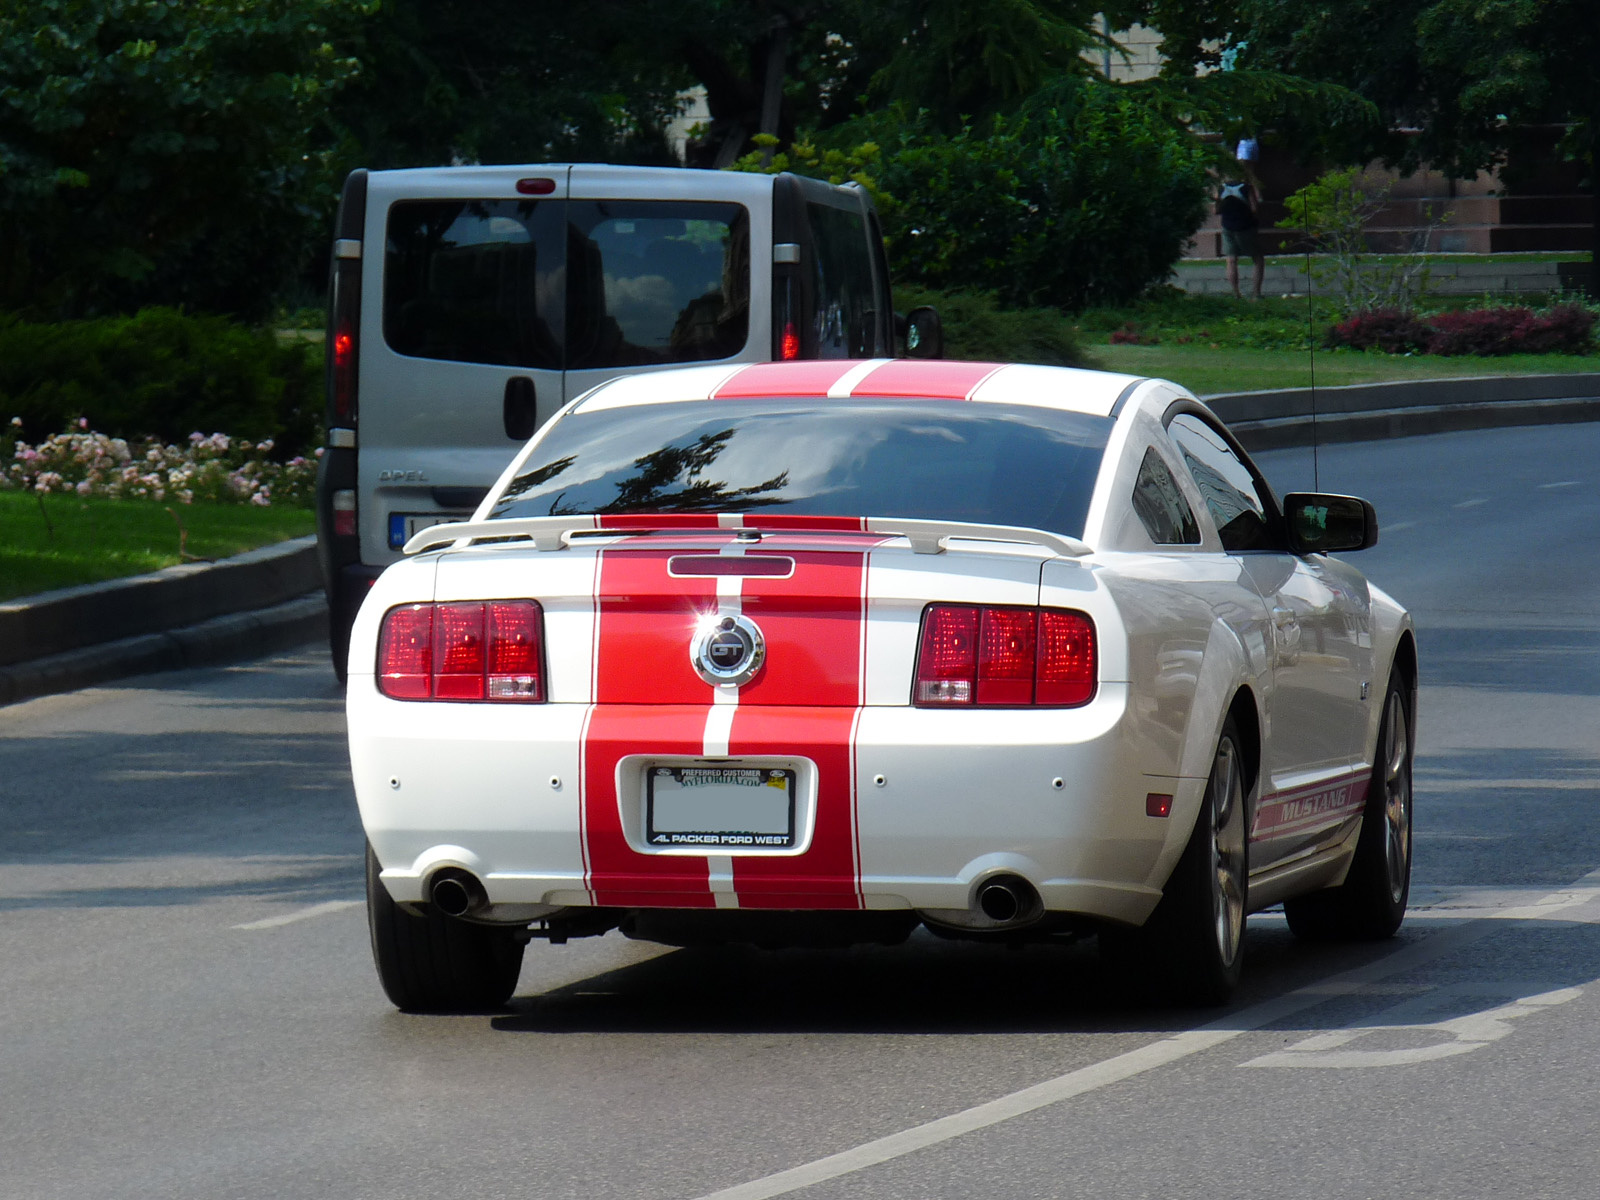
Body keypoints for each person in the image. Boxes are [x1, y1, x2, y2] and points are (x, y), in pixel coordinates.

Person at [1217, 178, 1264, 300]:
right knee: (1257, 259)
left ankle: (1236, 293)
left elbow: (1216, 209)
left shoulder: (1221, 187)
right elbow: (1254, 208)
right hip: (1245, 227)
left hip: (1227, 227)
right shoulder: (1246, 187)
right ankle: (1256, 293)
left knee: (1231, 260)